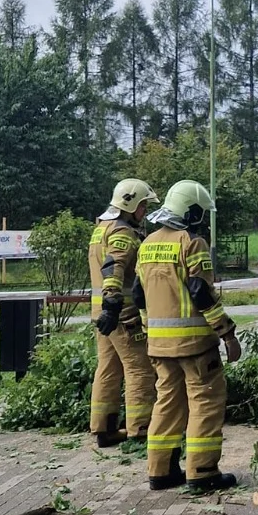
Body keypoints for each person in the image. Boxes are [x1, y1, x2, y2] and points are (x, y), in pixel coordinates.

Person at [131, 180, 242, 492]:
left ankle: (161, 471)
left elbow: (139, 295)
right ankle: (202, 471)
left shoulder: (147, 243)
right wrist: (227, 334)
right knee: (205, 403)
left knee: (167, 404)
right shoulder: (192, 243)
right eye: (201, 213)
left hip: (160, 346)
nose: (202, 219)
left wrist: (147, 331)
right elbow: (201, 293)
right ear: (191, 212)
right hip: (195, 347)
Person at [88, 178, 159, 448]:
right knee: (139, 369)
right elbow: (114, 266)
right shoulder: (123, 232)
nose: (145, 212)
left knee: (108, 368)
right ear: (129, 204)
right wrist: (113, 302)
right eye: (142, 206)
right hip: (122, 313)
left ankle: (103, 429)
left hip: (102, 315)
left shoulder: (101, 229)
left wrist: (105, 308)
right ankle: (140, 431)